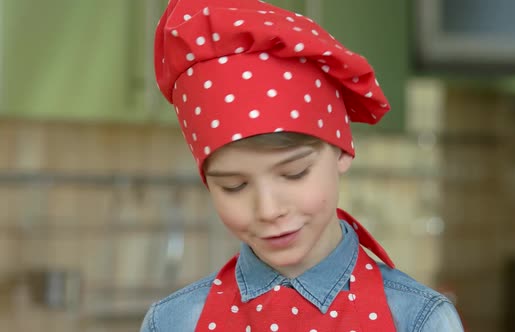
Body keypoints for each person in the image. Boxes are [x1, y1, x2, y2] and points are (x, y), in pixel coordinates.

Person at [141, 0, 465, 331]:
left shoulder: (419, 319)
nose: (268, 210)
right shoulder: (173, 322)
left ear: (342, 150)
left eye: (294, 173)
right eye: (234, 186)